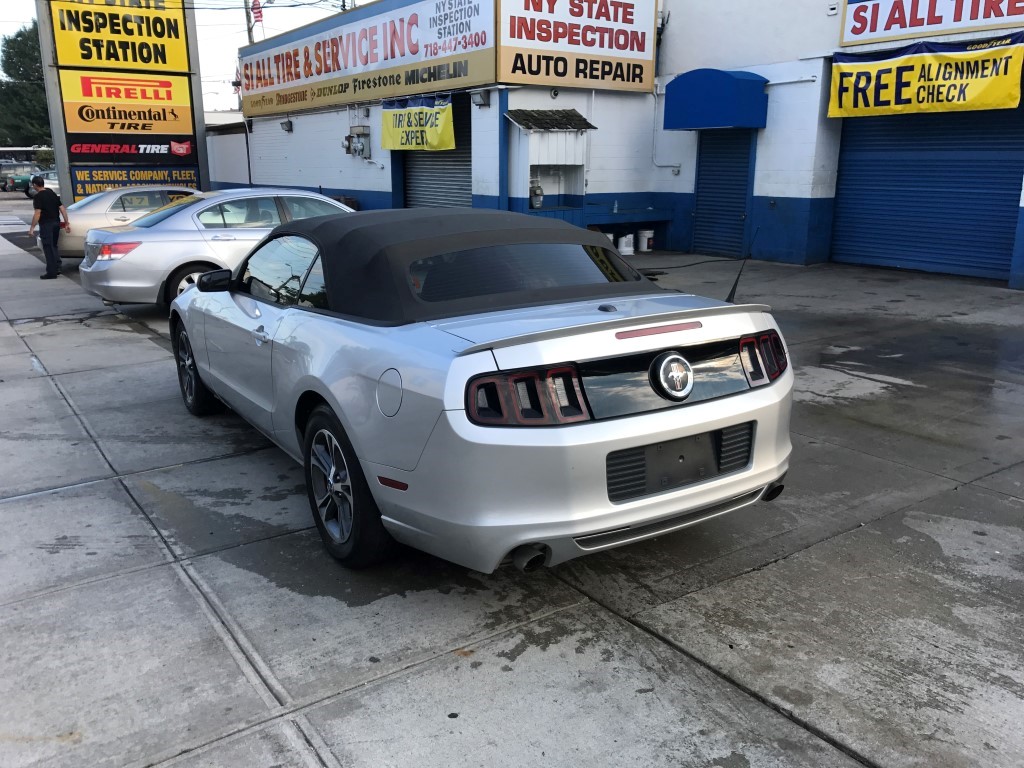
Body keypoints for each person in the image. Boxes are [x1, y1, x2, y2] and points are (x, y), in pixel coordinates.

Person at [27, 176, 70, 280]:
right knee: (54, 246)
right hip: (56, 223)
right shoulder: (51, 192)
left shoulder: (38, 197)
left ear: (35, 185)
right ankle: (57, 267)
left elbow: (37, 213)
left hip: (46, 225)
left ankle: (51, 272)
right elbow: (62, 208)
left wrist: (32, 228)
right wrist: (67, 222)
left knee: (48, 247)